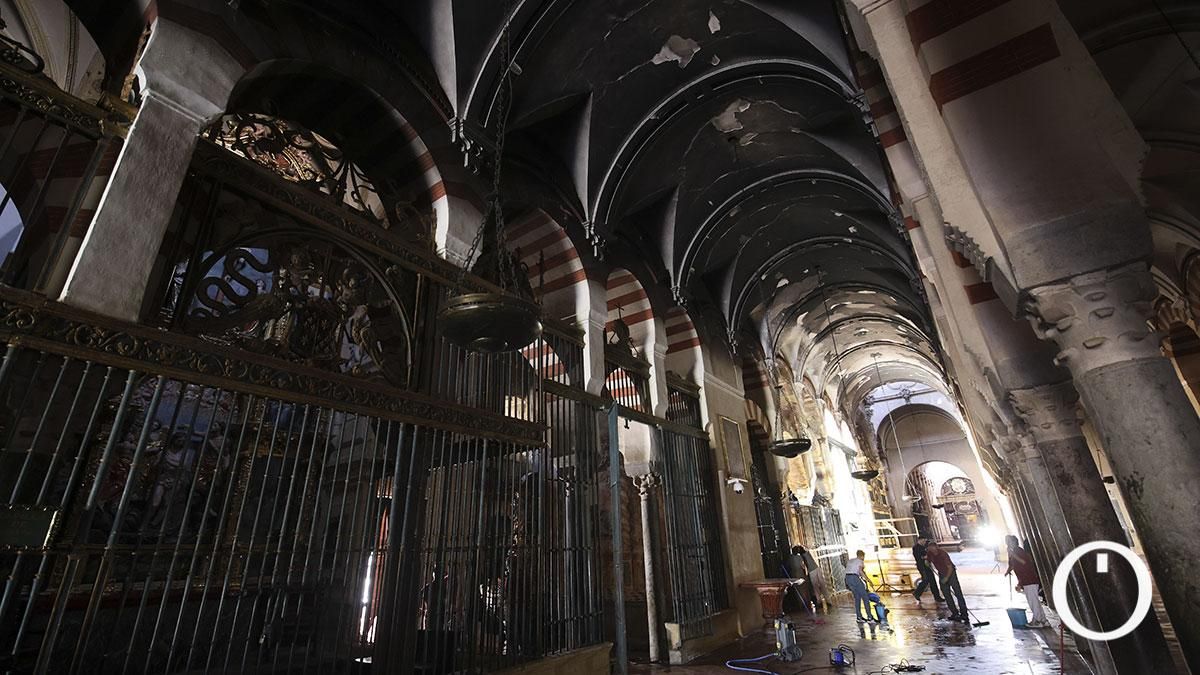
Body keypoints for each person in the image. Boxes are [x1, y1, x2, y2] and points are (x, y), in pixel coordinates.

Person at [1005, 535, 1048, 627]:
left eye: (1008, 541)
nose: (1006, 543)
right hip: (1026, 580)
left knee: (1033, 601)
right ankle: (1043, 620)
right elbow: (1013, 564)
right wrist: (1008, 571)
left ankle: (1038, 621)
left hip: (1029, 580)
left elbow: (1024, 562)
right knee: (1035, 601)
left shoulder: (1018, 551)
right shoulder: (1014, 552)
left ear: (1013, 542)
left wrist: (1013, 555)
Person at [925, 542, 969, 625]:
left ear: (936, 547)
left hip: (951, 573)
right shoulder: (930, 553)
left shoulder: (943, 554)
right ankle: (955, 613)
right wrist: (927, 562)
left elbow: (950, 567)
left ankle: (964, 614)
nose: (932, 550)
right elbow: (928, 558)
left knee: (958, 593)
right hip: (941, 573)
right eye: (930, 549)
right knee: (946, 594)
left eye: (933, 548)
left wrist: (946, 578)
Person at [910, 537, 945, 605]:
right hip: (922, 566)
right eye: (924, 540)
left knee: (932, 581)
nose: (924, 542)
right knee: (926, 580)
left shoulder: (924, 547)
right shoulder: (916, 548)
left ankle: (937, 597)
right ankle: (917, 592)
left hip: (927, 566)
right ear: (920, 540)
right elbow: (920, 557)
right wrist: (926, 557)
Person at [845, 549, 874, 623]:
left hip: (847, 579)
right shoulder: (860, 561)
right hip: (854, 578)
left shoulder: (851, 560)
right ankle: (870, 617)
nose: (864, 558)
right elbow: (861, 572)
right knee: (865, 597)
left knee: (857, 597)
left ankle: (859, 617)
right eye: (863, 557)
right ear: (861, 556)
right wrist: (869, 580)